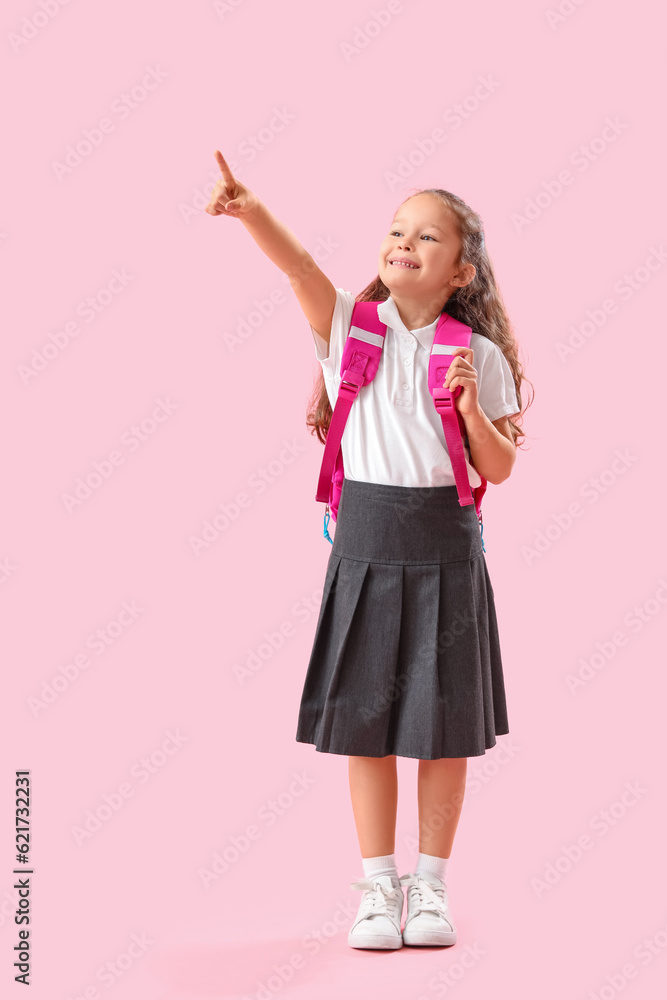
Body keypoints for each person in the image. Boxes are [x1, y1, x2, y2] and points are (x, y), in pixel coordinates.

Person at [206, 150, 532, 952]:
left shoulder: (475, 357)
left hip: (445, 550)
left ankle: (430, 888)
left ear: (459, 272)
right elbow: (301, 266)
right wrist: (250, 211)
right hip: (363, 546)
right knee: (365, 726)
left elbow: (498, 468)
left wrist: (468, 410)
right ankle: (377, 887)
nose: (403, 242)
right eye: (395, 229)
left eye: (426, 236)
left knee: (442, 727)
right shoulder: (352, 327)